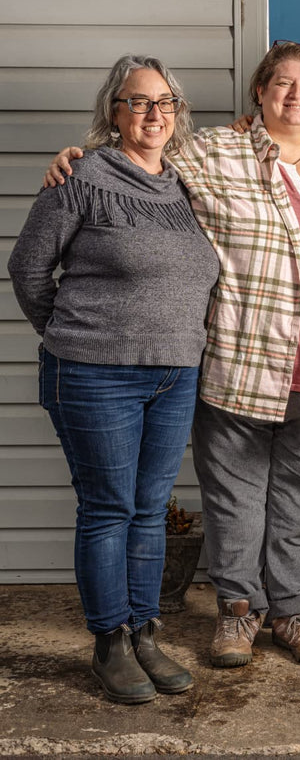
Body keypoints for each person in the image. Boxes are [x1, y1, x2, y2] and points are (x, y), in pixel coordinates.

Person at [43, 41, 300, 670]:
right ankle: (236, 611)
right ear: (260, 91)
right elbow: (137, 158)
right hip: (243, 359)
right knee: (235, 497)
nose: (296, 95)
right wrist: (77, 157)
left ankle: (294, 609)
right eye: (283, 82)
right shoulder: (210, 152)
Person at [9, 56, 220, 704]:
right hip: (95, 374)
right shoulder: (80, 176)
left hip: (173, 372)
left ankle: (145, 630)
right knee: (109, 508)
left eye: (166, 102)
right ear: (114, 110)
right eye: (139, 101)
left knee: (151, 510)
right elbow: (27, 269)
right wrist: (73, 335)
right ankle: (109, 641)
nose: (154, 114)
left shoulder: (186, 186)